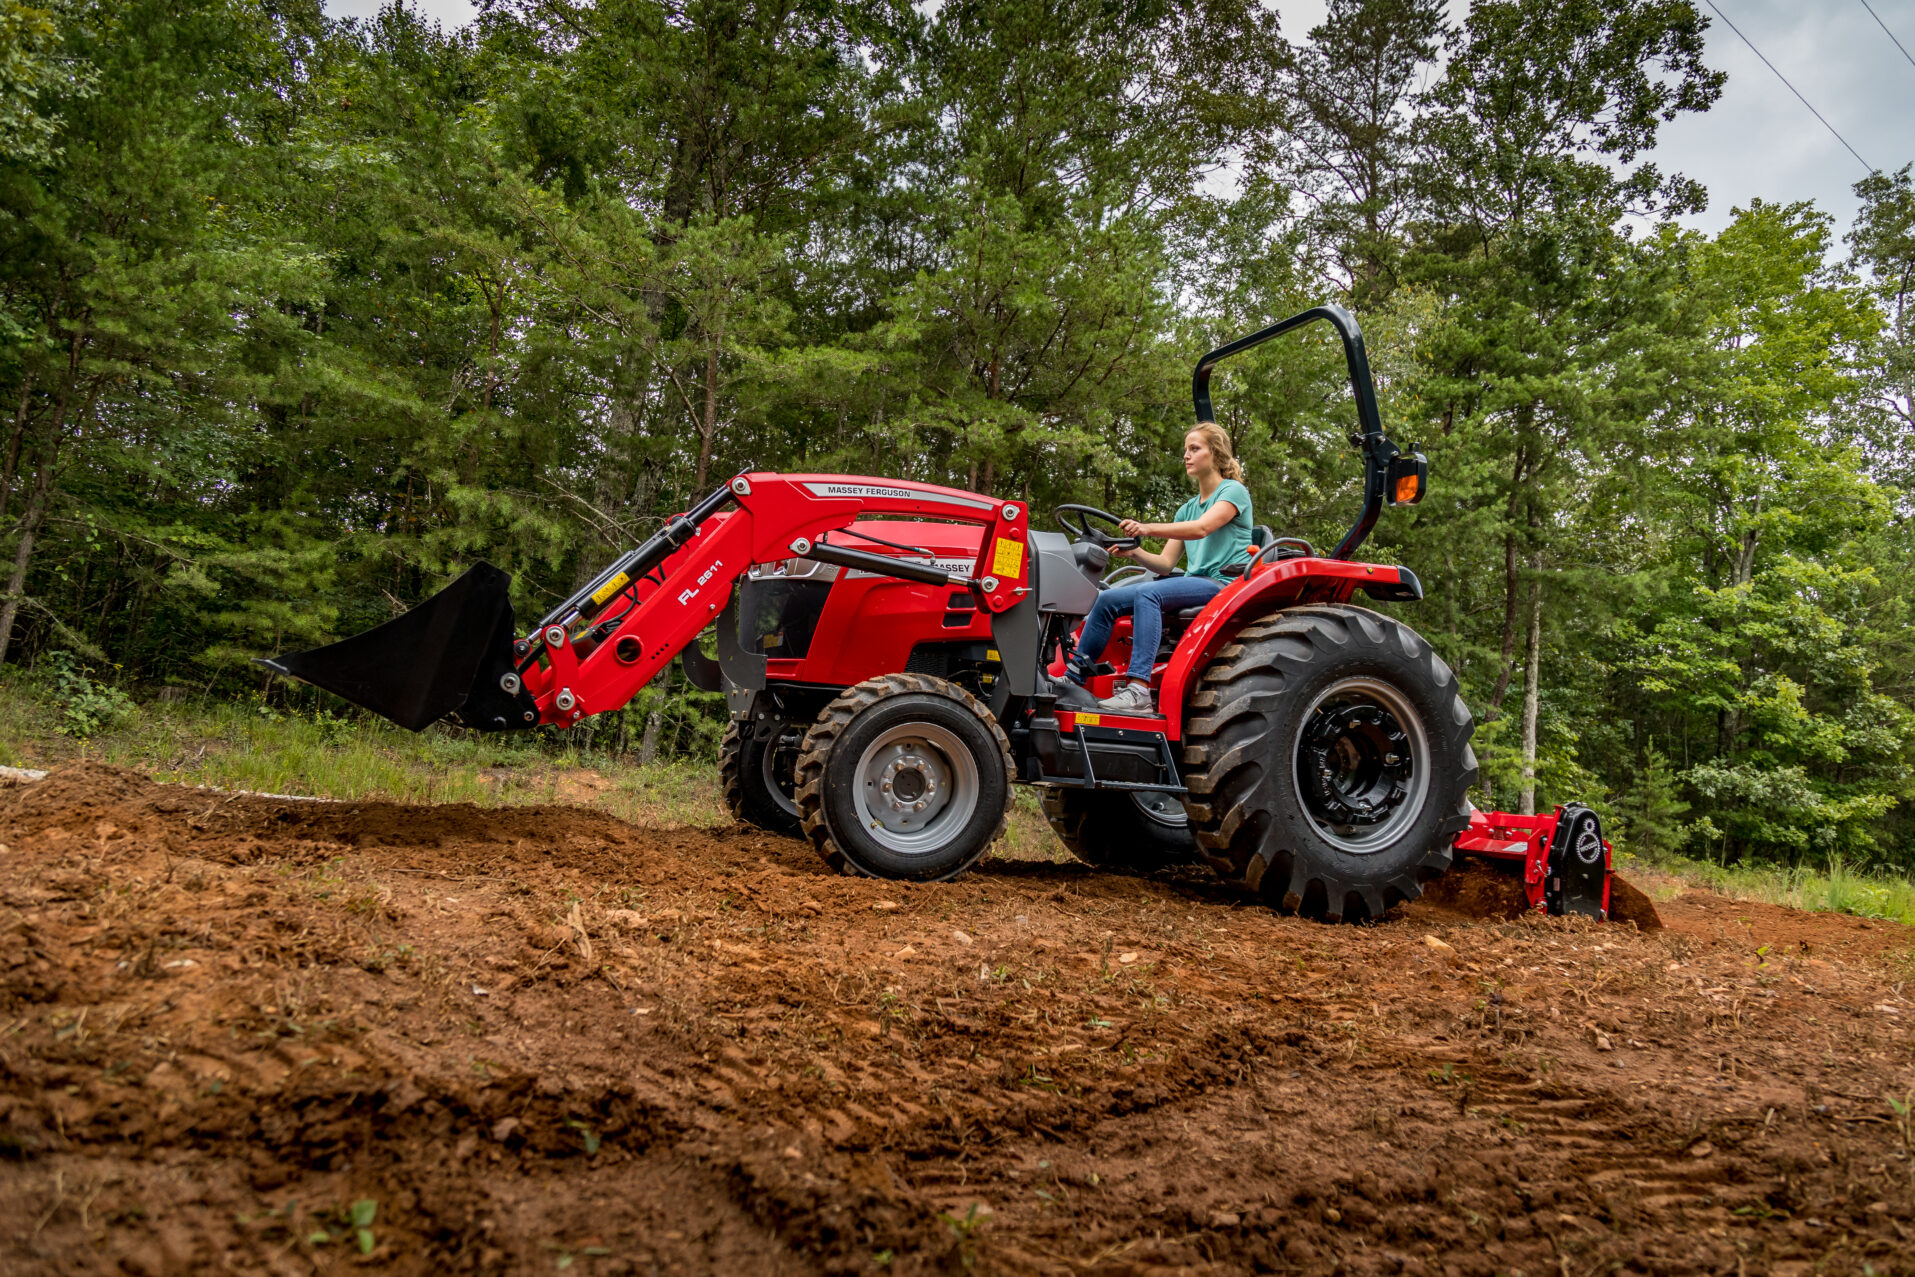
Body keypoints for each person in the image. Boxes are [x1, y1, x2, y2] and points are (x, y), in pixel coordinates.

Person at [1067, 422, 1252, 714]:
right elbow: (1166, 564)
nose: (1187, 456)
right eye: (1185, 451)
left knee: (1148, 594)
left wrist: (1147, 528)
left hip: (1223, 585)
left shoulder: (1233, 492)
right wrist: (1135, 552)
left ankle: (1138, 689)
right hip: (1195, 582)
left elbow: (1203, 529)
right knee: (1106, 600)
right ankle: (1072, 679)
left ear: (1214, 453)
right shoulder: (1187, 509)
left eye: (1195, 448)